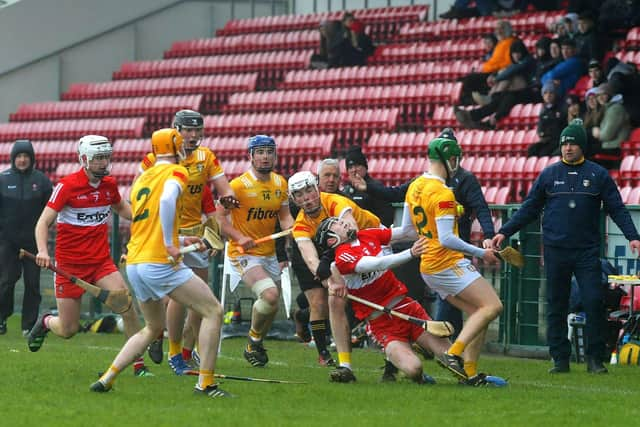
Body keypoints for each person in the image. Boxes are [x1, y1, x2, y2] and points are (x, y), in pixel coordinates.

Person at [492, 119, 640, 374]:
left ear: (582, 145)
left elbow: (617, 208)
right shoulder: (549, 175)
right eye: (564, 144)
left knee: (594, 301)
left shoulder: (598, 175)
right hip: (555, 250)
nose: (568, 148)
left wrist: (632, 236)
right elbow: (529, 208)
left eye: (572, 143)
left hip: (586, 251)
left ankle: (595, 359)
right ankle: (560, 358)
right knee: (556, 304)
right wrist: (505, 231)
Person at [90, 128, 230, 397]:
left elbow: (147, 221)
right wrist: (169, 243)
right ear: (177, 148)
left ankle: (108, 377)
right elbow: (167, 201)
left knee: (153, 327)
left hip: (136, 262)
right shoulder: (178, 171)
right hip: (158, 261)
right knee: (213, 310)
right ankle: (206, 384)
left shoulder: (143, 178)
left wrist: (182, 241)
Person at [348, 128, 495, 340]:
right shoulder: (433, 185)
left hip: (441, 251)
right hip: (445, 253)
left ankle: (454, 353)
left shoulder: (453, 180)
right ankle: (445, 348)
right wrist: (369, 187)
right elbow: (397, 194)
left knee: (469, 307)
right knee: (481, 306)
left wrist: (488, 233)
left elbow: (479, 207)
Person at [28, 135, 152, 376]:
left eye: (106, 157)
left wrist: (146, 217)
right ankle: (45, 321)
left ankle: (138, 365)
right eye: (98, 159)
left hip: (101, 263)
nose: (103, 163)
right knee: (68, 329)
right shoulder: (67, 186)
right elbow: (42, 223)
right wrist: (43, 251)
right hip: (69, 266)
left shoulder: (109, 184)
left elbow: (122, 208)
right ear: (84, 160)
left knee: (126, 306)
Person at [139, 109, 238, 374]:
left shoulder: (206, 157)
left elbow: (222, 189)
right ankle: (173, 351)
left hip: (197, 235)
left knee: (200, 295)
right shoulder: (154, 159)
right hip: (168, 234)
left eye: (198, 130)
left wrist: (228, 200)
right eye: (188, 130)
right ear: (176, 130)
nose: (193, 136)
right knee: (179, 297)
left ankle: (184, 349)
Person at [401, 133, 503, 384]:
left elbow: (406, 231)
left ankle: (468, 373)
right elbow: (447, 239)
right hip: (446, 262)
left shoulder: (415, 186)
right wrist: (482, 252)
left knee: (480, 314)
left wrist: (378, 236)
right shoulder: (444, 192)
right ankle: (453, 354)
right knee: (493, 307)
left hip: (428, 266)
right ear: (449, 159)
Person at [314, 217, 450, 385]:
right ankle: (412, 370)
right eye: (338, 224)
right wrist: (411, 253)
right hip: (383, 324)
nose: (343, 222)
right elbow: (377, 264)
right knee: (414, 369)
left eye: (343, 221)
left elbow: (403, 232)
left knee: (452, 358)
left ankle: (476, 377)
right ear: (331, 240)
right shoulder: (343, 257)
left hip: (408, 308)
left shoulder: (367, 234)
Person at [288, 170, 381, 382]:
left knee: (377, 303)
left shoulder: (335, 201)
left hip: (377, 242)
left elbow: (351, 231)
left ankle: (392, 362)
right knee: (333, 301)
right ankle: (344, 365)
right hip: (349, 256)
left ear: (317, 188)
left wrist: (330, 268)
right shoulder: (300, 225)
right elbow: (309, 257)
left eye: (310, 190)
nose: (307, 198)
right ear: (294, 199)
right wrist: (328, 279)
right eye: (300, 195)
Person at [216, 135, 294, 367]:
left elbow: (284, 215)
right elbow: (219, 220)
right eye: (259, 152)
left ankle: (254, 343)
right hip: (243, 253)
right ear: (250, 156)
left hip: (268, 252)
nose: (265, 156)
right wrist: (240, 237)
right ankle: (253, 339)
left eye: (269, 152)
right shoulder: (238, 186)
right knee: (269, 295)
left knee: (272, 304)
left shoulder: (280, 183)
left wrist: (292, 228)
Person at [289, 158, 344, 366]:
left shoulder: (340, 200)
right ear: (318, 179)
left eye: (335, 176)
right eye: (327, 176)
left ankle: (302, 316)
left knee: (335, 301)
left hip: (333, 255)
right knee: (319, 302)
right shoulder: (299, 203)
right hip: (306, 256)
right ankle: (323, 353)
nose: (331, 180)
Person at [0, 139, 52, 335]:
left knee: (32, 284)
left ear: (32, 159)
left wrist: (42, 236)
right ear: (14, 158)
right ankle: (2, 318)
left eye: (26, 156)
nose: (22, 160)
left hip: (33, 243)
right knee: (5, 282)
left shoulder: (42, 181)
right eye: (19, 156)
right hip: (7, 243)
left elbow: (51, 211)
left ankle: (28, 325)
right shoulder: (3, 179)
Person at [458, 21, 516, 106]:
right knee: (463, 79)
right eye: (497, 29)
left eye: (500, 29)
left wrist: (495, 72)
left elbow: (508, 62)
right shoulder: (500, 44)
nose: (497, 31)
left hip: (495, 72)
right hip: (489, 71)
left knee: (470, 79)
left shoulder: (512, 43)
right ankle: (470, 101)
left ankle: (471, 102)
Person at [342, 146, 394, 227]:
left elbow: (386, 217)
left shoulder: (376, 188)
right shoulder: (345, 190)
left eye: (357, 165)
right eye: (350, 167)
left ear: (365, 167)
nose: (354, 170)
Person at [589, 82, 630, 169]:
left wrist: (597, 133)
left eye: (603, 94)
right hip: (609, 147)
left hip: (616, 149)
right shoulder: (609, 108)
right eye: (598, 95)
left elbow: (607, 135)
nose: (600, 98)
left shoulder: (615, 109)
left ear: (610, 94)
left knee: (585, 151)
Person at [527, 81, 566, 157]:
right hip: (546, 140)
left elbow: (559, 127)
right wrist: (541, 134)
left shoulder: (561, 108)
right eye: (545, 93)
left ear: (555, 94)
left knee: (544, 153)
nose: (548, 96)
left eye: (551, 93)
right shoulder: (544, 110)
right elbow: (540, 126)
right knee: (532, 150)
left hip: (556, 140)